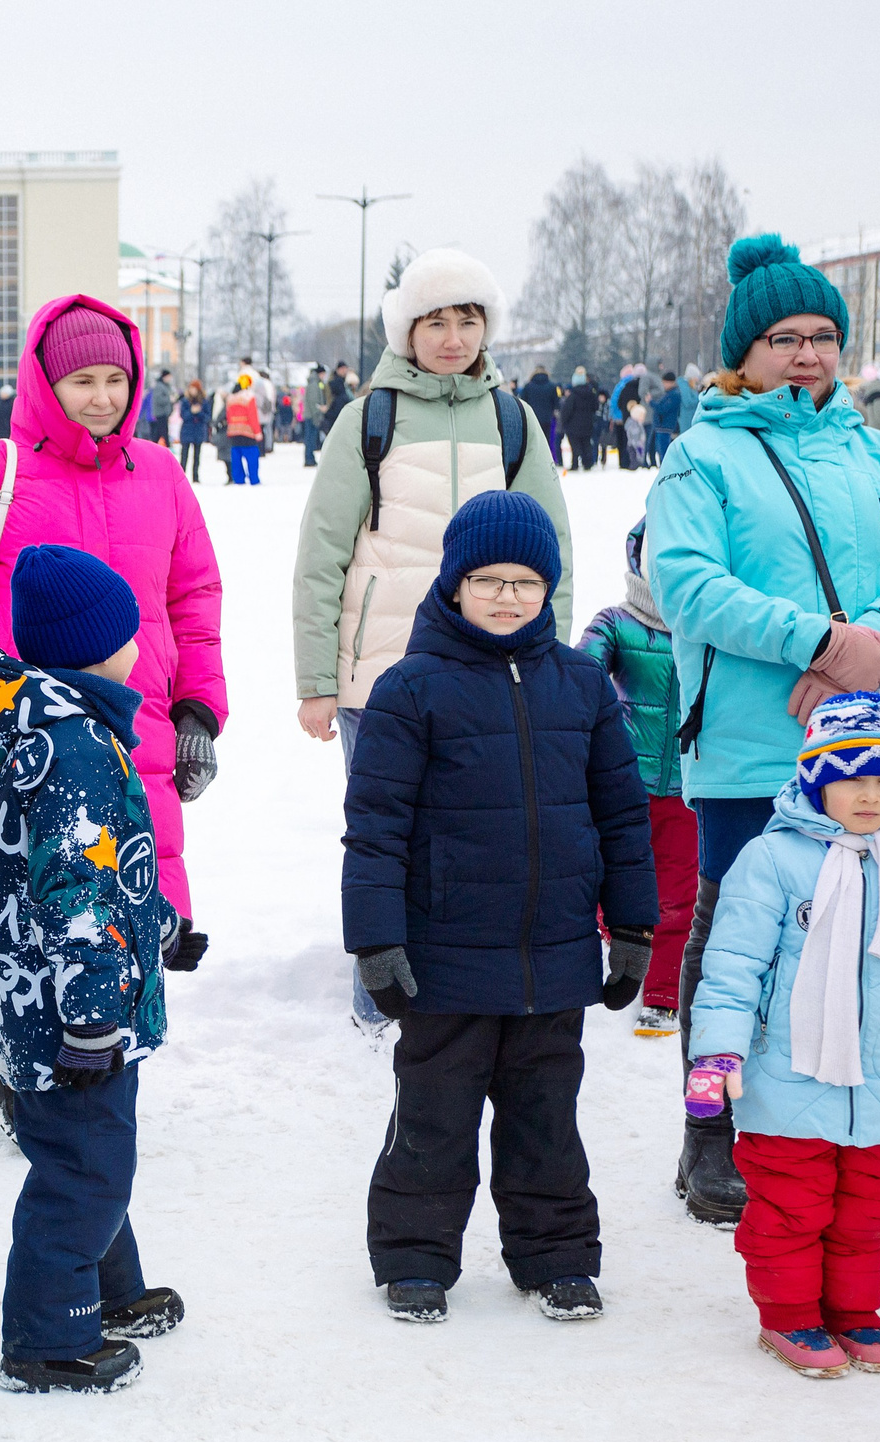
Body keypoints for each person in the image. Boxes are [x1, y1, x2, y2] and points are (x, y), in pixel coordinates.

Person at [644, 233, 880, 1227]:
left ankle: (827, 1120)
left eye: (823, 336)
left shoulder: (876, 453)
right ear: (743, 350)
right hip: (749, 746)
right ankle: (712, 1132)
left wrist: (870, 642)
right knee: (746, 934)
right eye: (783, 337)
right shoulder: (700, 457)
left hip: (864, 743)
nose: (806, 353)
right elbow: (688, 586)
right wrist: (819, 643)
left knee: (859, 930)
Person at [342, 491, 657, 1326]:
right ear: (454, 585)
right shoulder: (411, 690)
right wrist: (377, 944)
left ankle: (555, 1255)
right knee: (433, 1119)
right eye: (489, 580)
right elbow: (374, 830)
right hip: (446, 959)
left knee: (547, 1121)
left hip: (554, 959)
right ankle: (415, 1258)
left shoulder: (583, 688)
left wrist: (631, 928)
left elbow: (622, 817)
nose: (509, 597)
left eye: (526, 581)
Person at [685, 692, 880, 1377]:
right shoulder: (770, 862)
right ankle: (790, 1318)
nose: (869, 795)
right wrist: (717, 1050)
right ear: (814, 780)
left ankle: (854, 1312)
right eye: (850, 777)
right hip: (786, 1075)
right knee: (790, 1211)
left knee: (866, 1215)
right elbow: (733, 966)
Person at [292, 248, 572, 1031]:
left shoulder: (511, 421)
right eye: (437, 321)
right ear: (408, 330)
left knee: (477, 834)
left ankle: (455, 991)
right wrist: (317, 677)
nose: (453, 336)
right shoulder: (368, 419)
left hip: (491, 671)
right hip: (378, 675)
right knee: (387, 834)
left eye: (469, 319)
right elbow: (322, 555)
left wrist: (554, 663)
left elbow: (555, 550)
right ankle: (375, 1002)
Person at [0, 293, 226, 979]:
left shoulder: (163, 477)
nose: (102, 397)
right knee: (37, 946)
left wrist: (198, 713)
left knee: (134, 950)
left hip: (141, 733)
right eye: (82, 381)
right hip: (24, 744)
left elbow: (195, 602)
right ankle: (32, 1077)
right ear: (45, 383)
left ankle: (112, 1067)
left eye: (116, 380)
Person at [0, 545, 181, 1397]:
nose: (140, 645)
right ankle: (49, 1338)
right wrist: (93, 1015)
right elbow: (78, 894)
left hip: (45, 996)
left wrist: (159, 924)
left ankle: (107, 1293)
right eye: (130, 632)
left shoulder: (46, 724)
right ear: (98, 646)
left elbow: (107, 866)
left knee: (91, 1154)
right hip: (73, 1014)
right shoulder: (76, 742)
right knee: (83, 1169)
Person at [577, 532, 693, 1038]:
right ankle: (617, 939)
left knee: (679, 889)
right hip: (625, 784)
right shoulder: (617, 623)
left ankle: (665, 991)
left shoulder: (710, 630)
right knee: (613, 870)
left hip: (691, 786)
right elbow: (581, 671)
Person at [219, 374, 263, 485]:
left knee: (236, 456)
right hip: (248, 431)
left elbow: (228, 415)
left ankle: (238, 479)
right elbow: (253, 416)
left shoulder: (230, 398)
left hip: (233, 431)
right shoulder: (249, 397)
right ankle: (254, 479)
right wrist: (257, 432)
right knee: (251, 456)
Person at [557, 367, 603, 471]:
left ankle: (575, 464)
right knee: (586, 444)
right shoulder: (591, 394)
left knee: (575, 446)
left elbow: (566, 411)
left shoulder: (572, 396)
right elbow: (595, 407)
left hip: (574, 425)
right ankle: (588, 463)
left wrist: (564, 422)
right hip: (588, 424)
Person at [520, 362, 561, 455]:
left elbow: (522, 402)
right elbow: (556, 403)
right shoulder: (552, 386)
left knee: (533, 441)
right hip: (547, 419)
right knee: (546, 441)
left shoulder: (528, 386)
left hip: (532, 418)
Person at [174, 379, 209, 481]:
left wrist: (198, 412)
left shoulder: (204, 401)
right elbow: (183, 415)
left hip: (199, 431)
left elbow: (207, 417)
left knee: (197, 456)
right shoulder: (185, 401)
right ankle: (181, 476)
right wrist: (192, 411)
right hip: (187, 431)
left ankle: (195, 476)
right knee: (184, 455)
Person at [648, 370, 686, 464]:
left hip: (666, 427)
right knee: (661, 452)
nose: (663, 384)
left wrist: (651, 402)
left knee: (665, 453)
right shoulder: (668, 394)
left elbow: (663, 409)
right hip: (662, 427)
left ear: (670, 382)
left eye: (664, 382)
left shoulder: (674, 395)